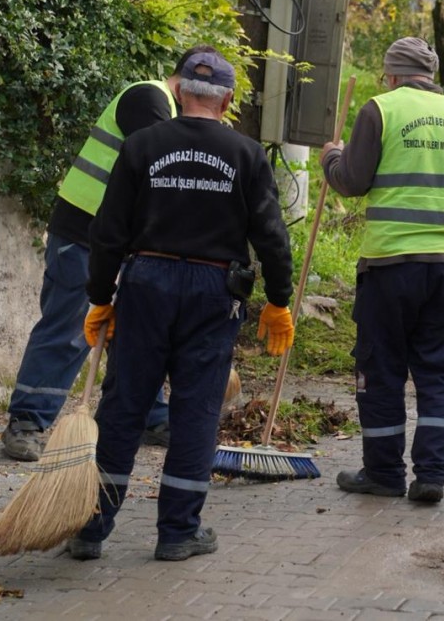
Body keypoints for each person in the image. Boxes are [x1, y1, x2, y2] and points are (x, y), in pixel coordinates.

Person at [66, 51, 295, 561]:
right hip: (214, 292)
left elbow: (107, 231)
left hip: (146, 283)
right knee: (196, 410)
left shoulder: (143, 145)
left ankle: (90, 527)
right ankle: (177, 533)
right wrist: (279, 300)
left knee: (124, 407)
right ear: (228, 101)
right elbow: (272, 237)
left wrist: (101, 297)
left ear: (180, 92)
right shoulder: (246, 154)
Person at [0, 48, 216, 461]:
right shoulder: (148, 100)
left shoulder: (166, 109)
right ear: (186, 85)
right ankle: (27, 421)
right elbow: (162, 169)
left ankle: (148, 416)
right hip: (83, 234)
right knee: (69, 330)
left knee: (137, 332)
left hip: (119, 241)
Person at [320, 37, 444, 504]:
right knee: (440, 372)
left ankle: (384, 473)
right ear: (431, 76)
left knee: (381, 369)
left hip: (389, 267)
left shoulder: (380, 109)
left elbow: (352, 181)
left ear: (392, 75)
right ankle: (432, 474)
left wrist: (330, 158)